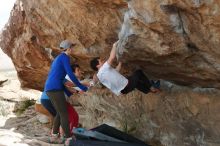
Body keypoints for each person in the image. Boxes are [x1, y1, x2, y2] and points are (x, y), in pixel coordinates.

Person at [44, 40, 88, 145]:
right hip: (54, 88)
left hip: (50, 88)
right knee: (64, 114)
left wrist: (74, 88)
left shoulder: (57, 59)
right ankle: (69, 138)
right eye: (71, 47)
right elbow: (70, 74)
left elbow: (61, 78)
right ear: (68, 48)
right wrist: (81, 86)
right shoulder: (65, 57)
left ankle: (54, 136)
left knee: (60, 112)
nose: (72, 49)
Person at [90, 41, 160, 96]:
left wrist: (120, 62)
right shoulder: (103, 69)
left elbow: (116, 71)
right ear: (97, 66)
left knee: (135, 82)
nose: (103, 61)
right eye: (101, 61)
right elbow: (111, 57)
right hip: (127, 85)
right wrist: (114, 46)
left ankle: (148, 91)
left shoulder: (101, 75)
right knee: (138, 73)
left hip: (123, 90)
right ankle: (152, 87)